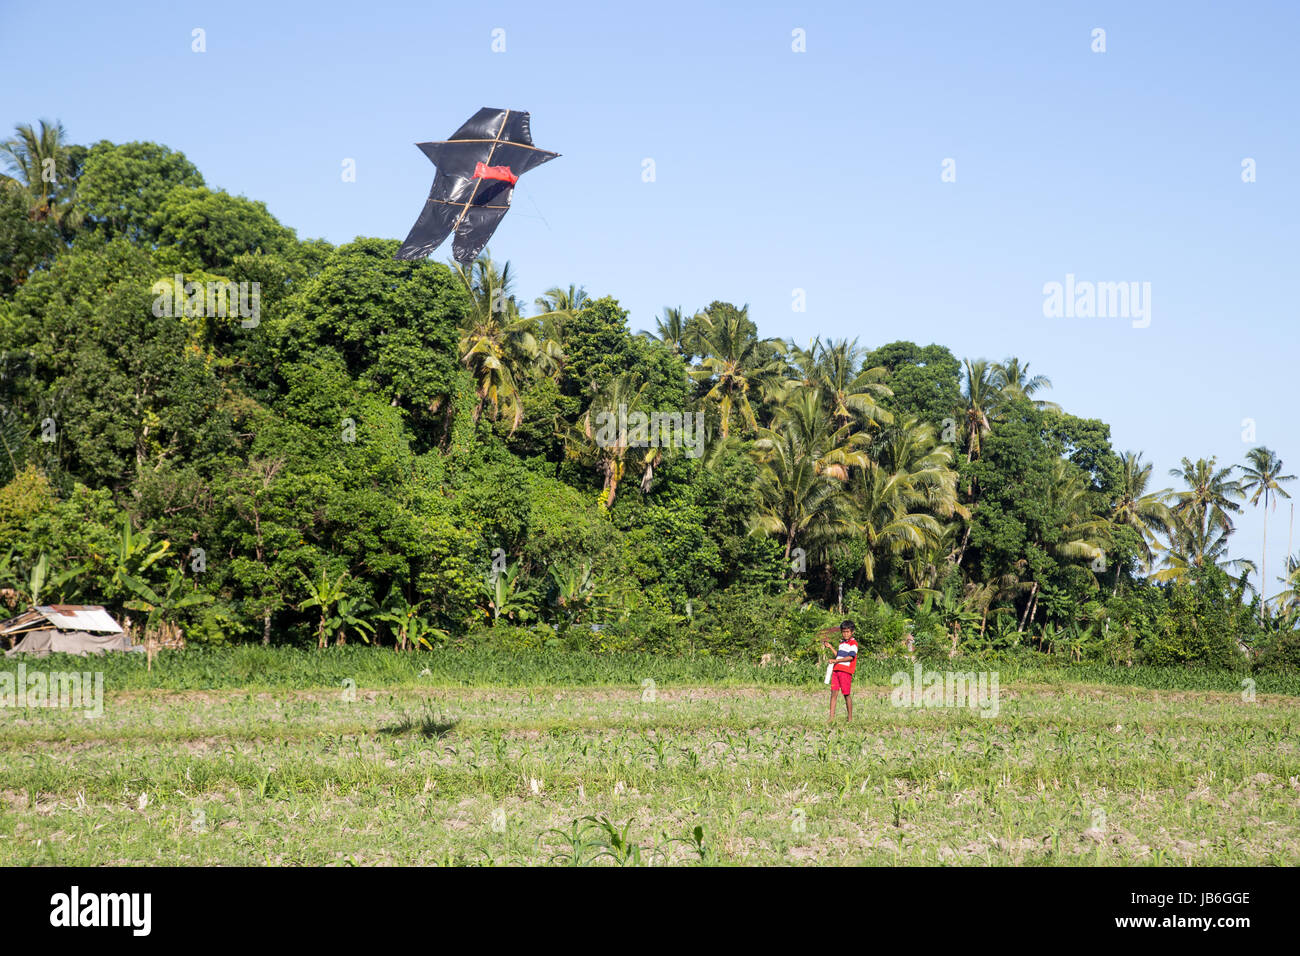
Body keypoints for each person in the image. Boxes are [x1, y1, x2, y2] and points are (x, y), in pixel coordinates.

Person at [822, 620, 857, 722]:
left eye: (847, 632)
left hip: (845, 672)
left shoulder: (853, 644)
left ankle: (850, 719)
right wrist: (830, 647)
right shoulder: (842, 643)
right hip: (836, 670)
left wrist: (836, 661)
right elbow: (839, 655)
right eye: (843, 632)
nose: (845, 634)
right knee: (833, 693)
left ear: (852, 632)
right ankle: (831, 718)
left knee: (846, 694)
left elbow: (850, 657)